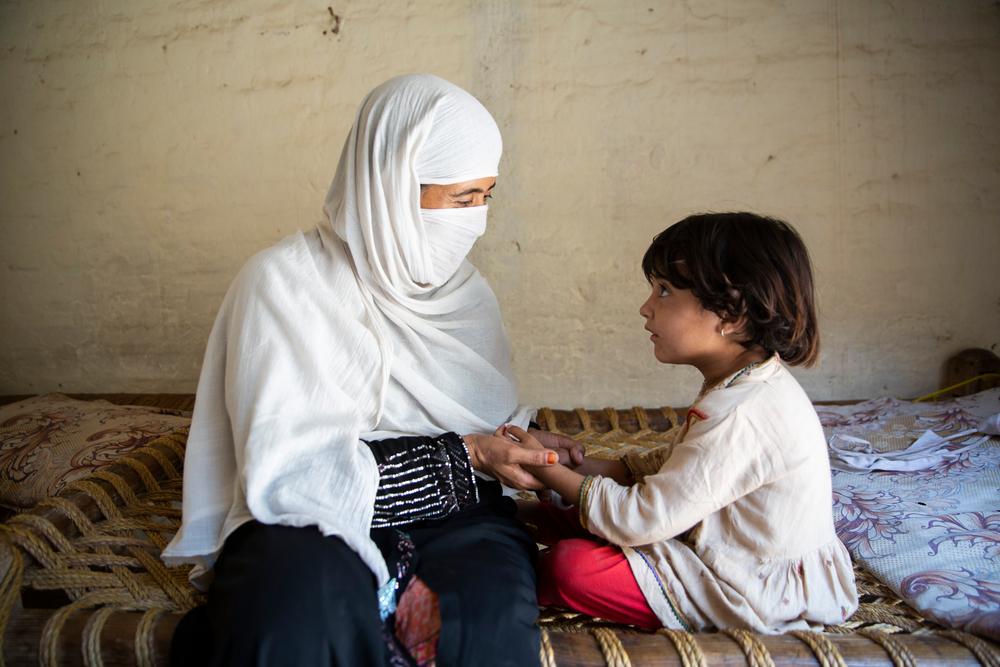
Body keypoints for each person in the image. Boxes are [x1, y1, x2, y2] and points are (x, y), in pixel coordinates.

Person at [163, 74, 580, 666]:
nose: (477, 222)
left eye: (487, 197)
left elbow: (480, 425)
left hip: (461, 522)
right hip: (306, 527)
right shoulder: (283, 283)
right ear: (391, 185)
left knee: (481, 628)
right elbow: (291, 480)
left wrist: (514, 446)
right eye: (461, 200)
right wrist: (470, 455)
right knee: (294, 609)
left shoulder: (466, 294)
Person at [505, 213, 859, 633]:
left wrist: (549, 468)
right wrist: (574, 464)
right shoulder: (745, 381)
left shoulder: (744, 412)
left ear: (732, 315)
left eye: (665, 291)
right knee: (541, 513)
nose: (646, 307)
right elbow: (675, 470)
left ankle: (511, 577)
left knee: (571, 567)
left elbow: (639, 519)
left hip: (751, 588)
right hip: (713, 540)